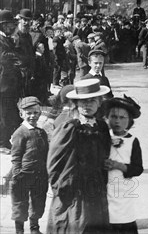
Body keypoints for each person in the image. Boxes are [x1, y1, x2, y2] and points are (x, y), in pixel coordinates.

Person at [46, 79, 112, 233]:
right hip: (73, 190)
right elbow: (54, 162)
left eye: (92, 101)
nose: (87, 105)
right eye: (83, 102)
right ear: (76, 103)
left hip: (96, 187)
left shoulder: (101, 126)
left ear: (99, 102)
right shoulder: (69, 128)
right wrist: (60, 189)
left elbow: (105, 154)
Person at [102, 96, 144, 234]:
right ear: (107, 118)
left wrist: (118, 165)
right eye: (113, 117)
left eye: (122, 117)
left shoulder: (132, 141)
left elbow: (137, 169)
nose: (117, 121)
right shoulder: (102, 137)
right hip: (103, 190)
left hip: (123, 191)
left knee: (123, 220)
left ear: (130, 121)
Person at [10, 97, 49, 234]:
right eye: (29, 113)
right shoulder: (20, 133)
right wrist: (17, 173)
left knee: (38, 202)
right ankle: (19, 230)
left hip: (40, 174)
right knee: (20, 203)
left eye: (36, 113)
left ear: (40, 113)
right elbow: (15, 155)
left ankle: (34, 228)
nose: (32, 116)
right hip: (23, 174)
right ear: (22, 114)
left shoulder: (41, 132)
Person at [1, 10, 23, 153]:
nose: (12, 27)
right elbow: (3, 57)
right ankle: (2, 143)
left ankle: (7, 140)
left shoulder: (8, 39)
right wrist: (18, 58)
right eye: (10, 25)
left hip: (10, 83)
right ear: (3, 25)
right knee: (3, 114)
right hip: (3, 84)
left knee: (10, 113)